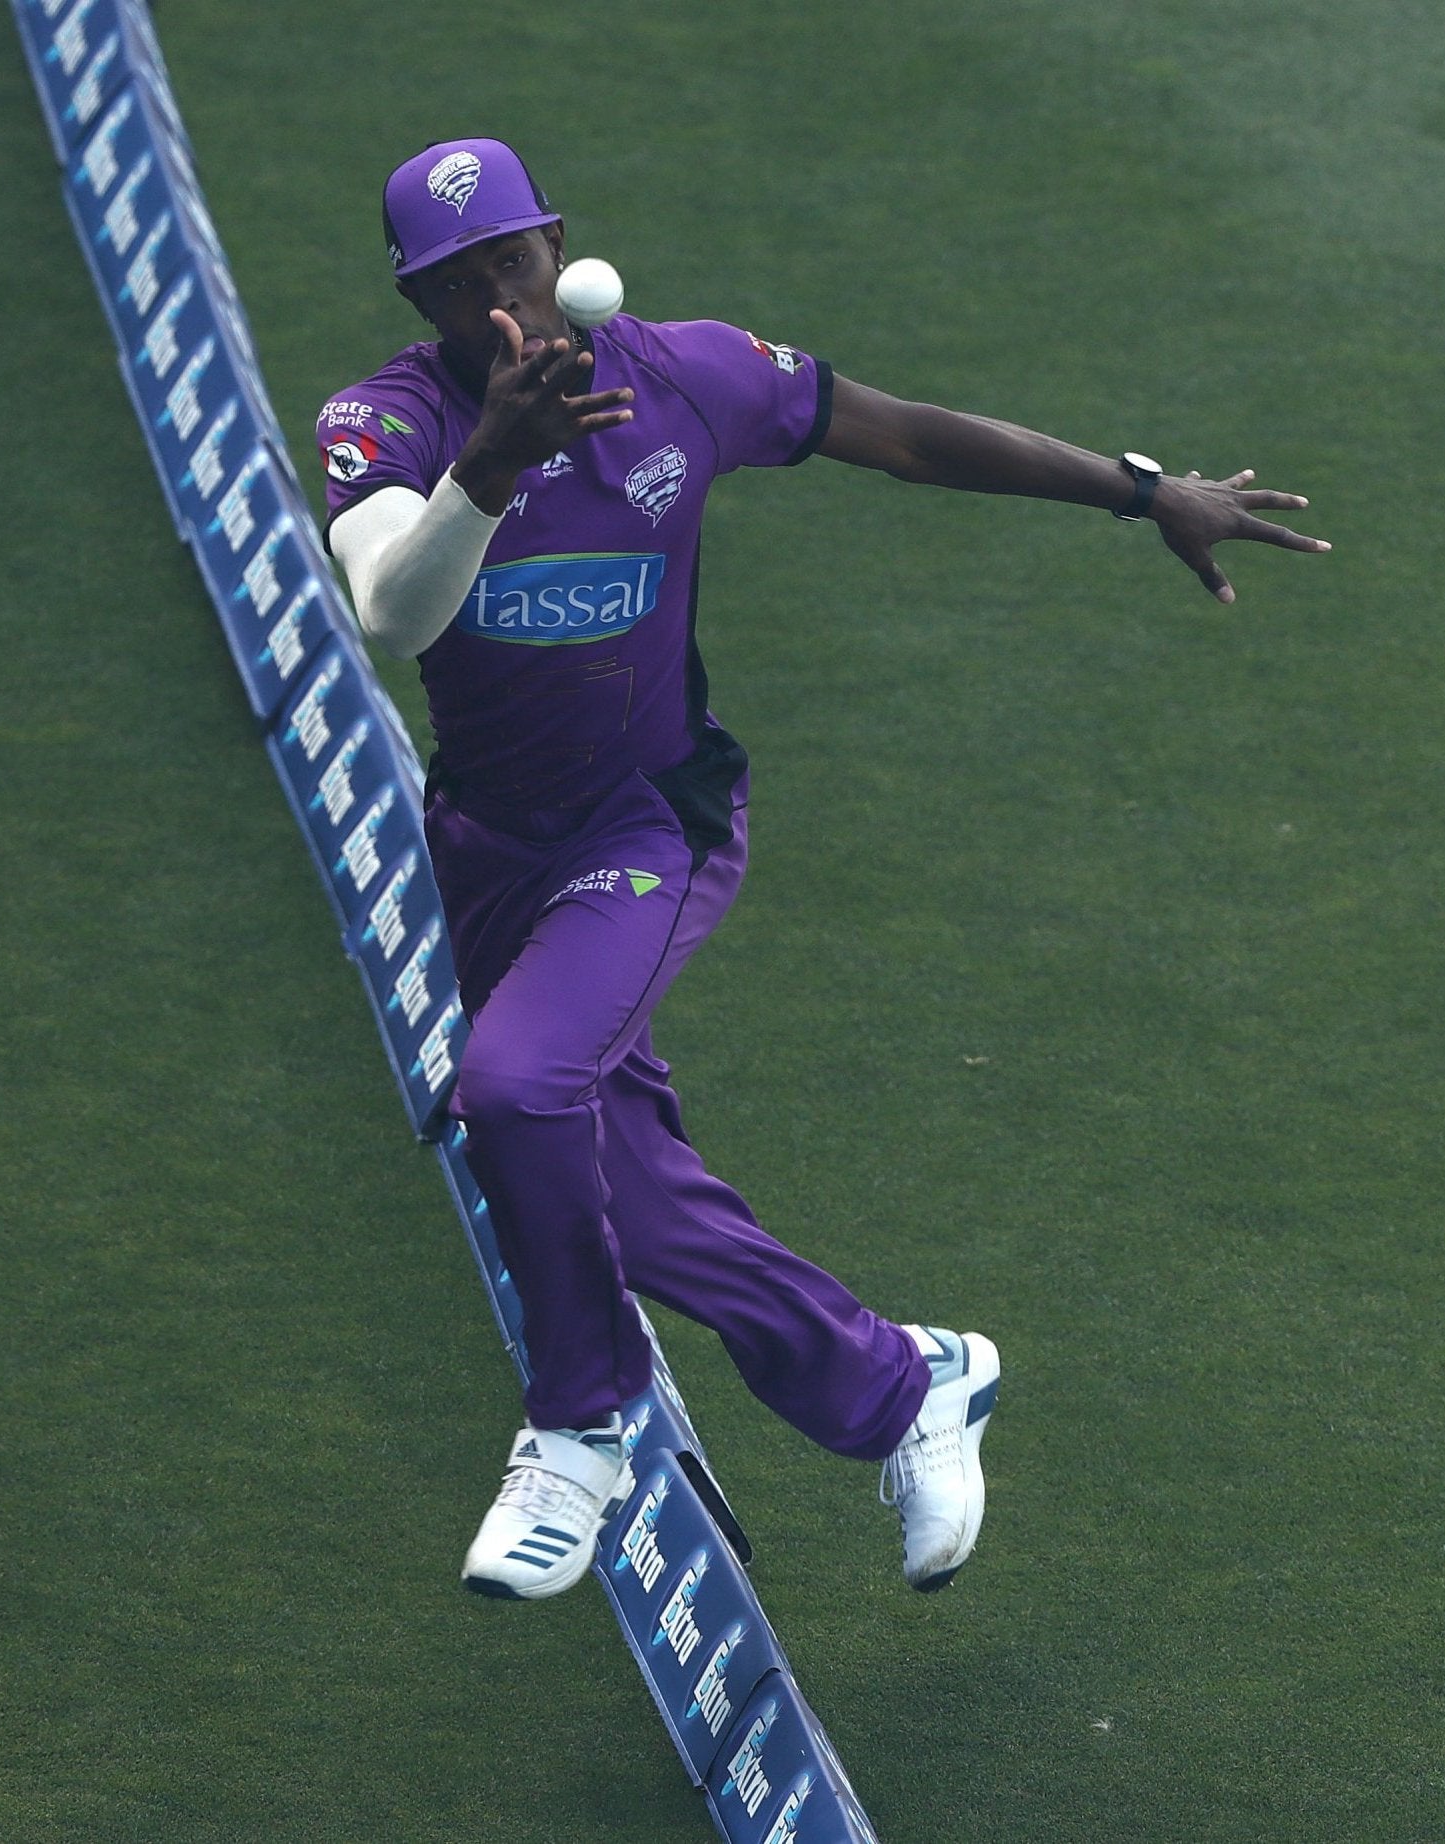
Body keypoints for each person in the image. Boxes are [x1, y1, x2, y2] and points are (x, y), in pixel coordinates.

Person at [317, 139, 1328, 1602]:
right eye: (458, 284)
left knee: (515, 1089)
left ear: (557, 247)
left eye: (514, 262)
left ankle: (579, 1427)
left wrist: (1138, 489)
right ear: (418, 298)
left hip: (647, 822)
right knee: (617, 1186)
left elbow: (908, 434)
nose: (500, 301)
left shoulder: (689, 378)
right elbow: (392, 618)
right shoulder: (384, 423)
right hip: (486, 842)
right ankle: (901, 1383)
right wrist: (485, 468)